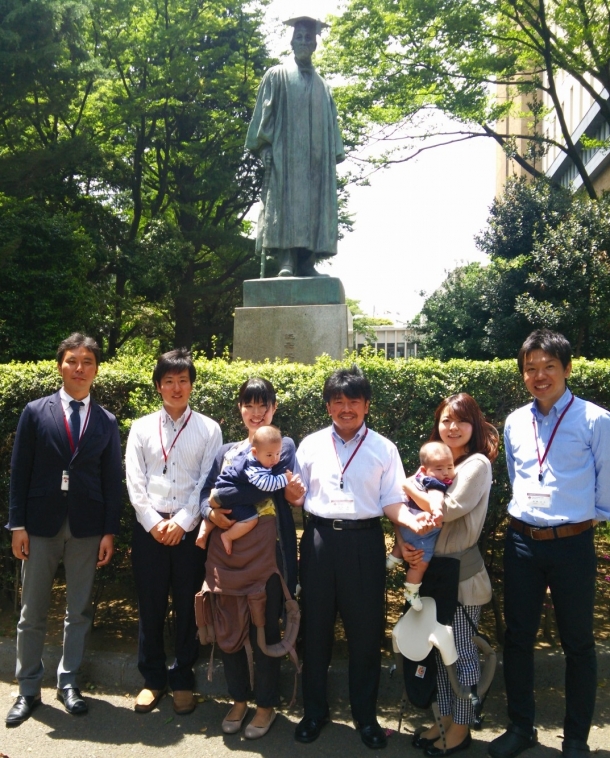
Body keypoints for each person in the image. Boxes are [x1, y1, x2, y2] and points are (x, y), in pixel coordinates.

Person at [292, 364, 428, 750]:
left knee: (366, 634)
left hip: (364, 543)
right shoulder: (310, 444)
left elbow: (393, 502)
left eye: (354, 401)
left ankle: (365, 718)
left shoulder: (384, 448)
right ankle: (314, 712)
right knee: (315, 630)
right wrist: (288, 493)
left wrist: (411, 529)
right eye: (338, 401)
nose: (346, 408)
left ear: (367, 405)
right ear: (328, 406)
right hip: (318, 541)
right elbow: (298, 498)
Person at [488, 330, 610, 758]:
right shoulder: (515, 421)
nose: (539, 376)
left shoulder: (596, 420)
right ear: (523, 374)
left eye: (548, 367)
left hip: (572, 545)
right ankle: (521, 728)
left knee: (577, 642)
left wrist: (575, 522)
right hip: (522, 542)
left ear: (567, 369)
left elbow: (606, 490)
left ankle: (576, 738)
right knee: (517, 638)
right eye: (531, 368)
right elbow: (519, 477)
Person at [6, 333, 122, 726]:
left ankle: (69, 682)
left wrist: (109, 531)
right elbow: (19, 471)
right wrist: (16, 524)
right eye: (72, 360)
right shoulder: (35, 412)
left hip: (88, 527)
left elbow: (111, 480)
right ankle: (27, 689)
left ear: (96, 369)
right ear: (60, 365)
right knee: (32, 610)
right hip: (39, 525)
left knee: (79, 610)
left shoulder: (106, 421)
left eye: (87, 361)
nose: (79, 367)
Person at [197, 378, 304, 739]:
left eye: (263, 405)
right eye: (249, 405)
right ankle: (239, 699)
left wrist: (221, 496)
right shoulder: (225, 450)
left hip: (266, 555)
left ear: (274, 408)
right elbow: (203, 495)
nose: (256, 413)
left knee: (265, 628)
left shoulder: (280, 443)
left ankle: (266, 705)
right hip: (225, 556)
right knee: (229, 628)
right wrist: (211, 514)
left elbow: (263, 485)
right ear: (240, 408)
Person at [125, 349, 221, 716]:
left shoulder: (209, 428)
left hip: (189, 531)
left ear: (192, 385)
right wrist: (153, 522)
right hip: (148, 529)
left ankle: (182, 679)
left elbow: (207, 483)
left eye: (183, 380)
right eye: (169, 381)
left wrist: (181, 522)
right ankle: (152, 680)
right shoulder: (141, 427)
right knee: (149, 605)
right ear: (158, 386)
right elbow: (134, 481)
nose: (176, 387)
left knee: (187, 605)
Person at [404, 393, 498, 757]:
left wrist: (411, 487)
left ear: (473, 425)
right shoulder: (441, 467)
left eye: (460, 420)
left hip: (461, 574)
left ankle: (462, 725)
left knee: (460, 652)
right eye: (445, 420)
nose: (452, 427)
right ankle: (443, 718)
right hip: (434, 572)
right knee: (437, 651)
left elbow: (449, 509)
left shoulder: (475, 465)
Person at [245, 15, 345, 277]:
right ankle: (286, 261)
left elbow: (331, 128)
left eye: (308, 38)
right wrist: (264, 148)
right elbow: (264, 116)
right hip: (286, 157)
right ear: (291, 42)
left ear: (315, 44)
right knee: (284, 205)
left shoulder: (324, 87)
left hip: (315, 161)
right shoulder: (276, 76)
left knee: (314, 205)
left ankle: (307, 262)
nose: (303, 41)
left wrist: (329, 157)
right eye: (298, 37)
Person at [198, 425, 300, 554]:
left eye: (278, 453)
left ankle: (205, 530)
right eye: (269, 455)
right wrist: (285, 478)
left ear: (274, 408)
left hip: (223, 495)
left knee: (220, 509)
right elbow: (265, 486)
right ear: (254, 452)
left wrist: (218, 498)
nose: (275, 459)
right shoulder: (253, 466)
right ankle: (227, 536)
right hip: (225, 500)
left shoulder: (276, 447)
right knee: (251, 519)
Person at [387, 441, 454, 610]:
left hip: (405, 521)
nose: (446, 473)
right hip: (422, 528)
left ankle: (393, 558)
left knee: (407, 545)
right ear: (425, 470)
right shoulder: (435, 482)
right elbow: (436, 497)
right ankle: (411, 590)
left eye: (450, 467)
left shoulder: (417, 478)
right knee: (420, 563)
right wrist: (437, 510)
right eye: (439, 469)